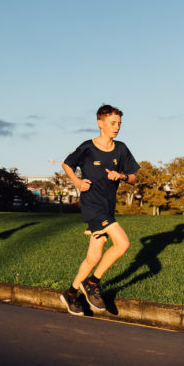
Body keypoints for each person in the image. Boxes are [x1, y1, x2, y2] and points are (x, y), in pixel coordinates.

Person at [59, 104, 138, 316]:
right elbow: (67, 164)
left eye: (119, 123)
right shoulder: (87, 147)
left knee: (93, 256)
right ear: (100, 123)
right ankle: (92, 283)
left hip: (108, 207)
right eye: (113, 123)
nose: (117, 127)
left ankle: (71, 292)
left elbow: (134, 177)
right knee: (123, 243)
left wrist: (120, 176)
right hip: (92, 205)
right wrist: (76, 181)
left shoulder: (121, 149)